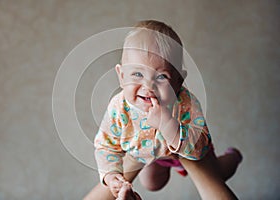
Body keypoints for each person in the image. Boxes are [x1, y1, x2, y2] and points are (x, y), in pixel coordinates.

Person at [84, 20, 242, 200]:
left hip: (188, 150)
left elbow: (200, 144)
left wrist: (169, 126)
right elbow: (105, 145)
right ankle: (158, 167)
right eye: (137, 74)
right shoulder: (118, 107)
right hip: (150, 152)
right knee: (152, 183)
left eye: (161, 77)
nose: (148, 86)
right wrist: (111, 175)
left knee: (219, 173)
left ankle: (233, 157)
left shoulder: (185, 103)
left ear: (178, 81)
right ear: (121, 76)